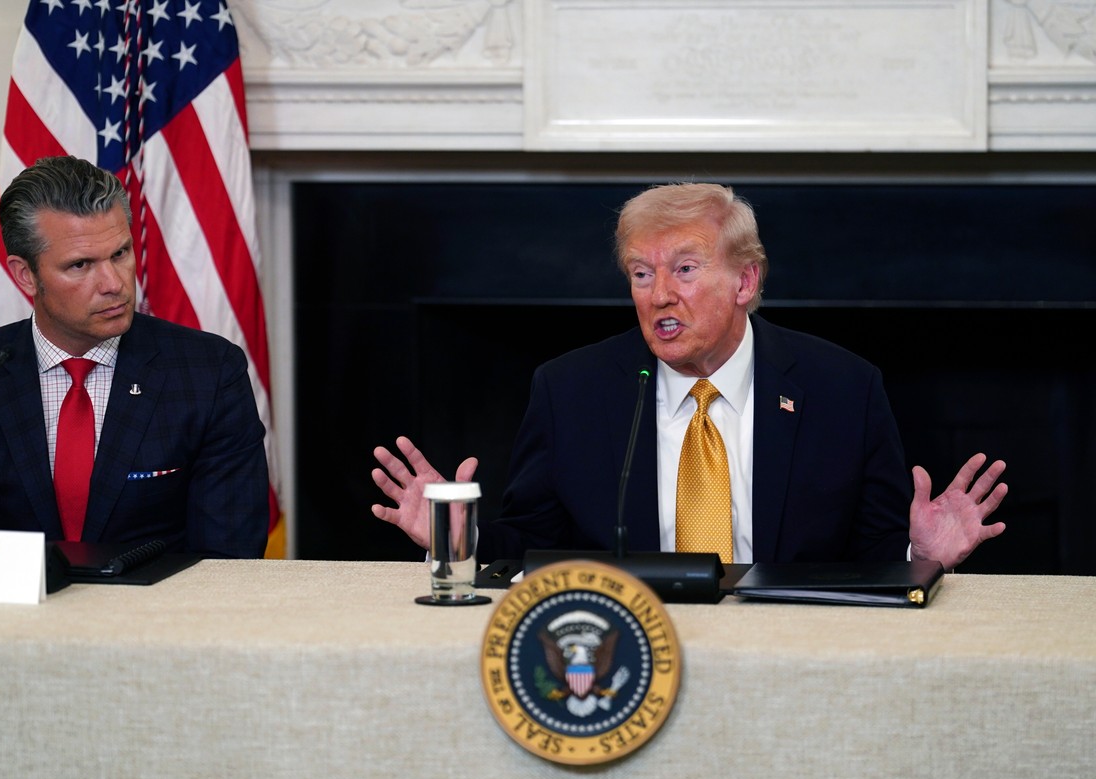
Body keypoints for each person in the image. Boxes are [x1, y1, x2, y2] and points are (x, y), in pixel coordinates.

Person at [370, 182, 1007, 570]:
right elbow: (537, 545)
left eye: (684, 269)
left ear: (746, 281)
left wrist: (918, 557)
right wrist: (460, 541)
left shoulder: (843, 388)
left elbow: (870, 565)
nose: (659, 296)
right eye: (642, 275)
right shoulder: (572, 391)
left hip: (790, 655)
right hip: (634, 648)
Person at [0, 155, 268, 558]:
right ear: (25, 274)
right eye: (80, 265)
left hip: (159, 617)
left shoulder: (208, 372)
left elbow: (230, 559)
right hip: (9, 618)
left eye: (121, 253)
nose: (114, 284)